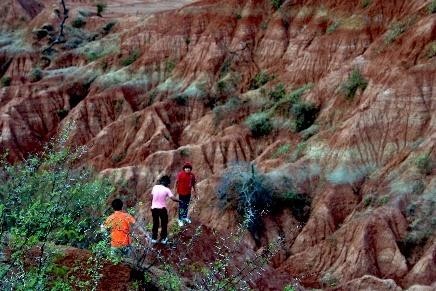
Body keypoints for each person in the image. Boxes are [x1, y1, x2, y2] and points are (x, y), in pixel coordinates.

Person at [151, 175, 180, 244]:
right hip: (162, 209)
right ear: (166, 183)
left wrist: (153, 204)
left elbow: (152, 196)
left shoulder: (155, 187)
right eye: (168, 183)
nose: (168, 184)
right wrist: (180, 201)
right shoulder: (167, 189)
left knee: (155, 223)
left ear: (161, 181)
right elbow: (173, 198)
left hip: (154, 209)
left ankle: (154, 238)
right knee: (164, 223)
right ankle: (164, 239)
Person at [174, 162, 197, 227]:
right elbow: (176, 182)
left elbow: (194, 184)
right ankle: (180, 219)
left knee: (186, 205)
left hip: (188, 193)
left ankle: (184, 217)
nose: (187, 169)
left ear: (190, 169)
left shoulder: (192, 175)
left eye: (189, 168)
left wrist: (195, 192)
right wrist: (175, 191)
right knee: (181, 206)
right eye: (186, 168)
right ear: (184, 169)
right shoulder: (180, 174)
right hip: (181, 193)